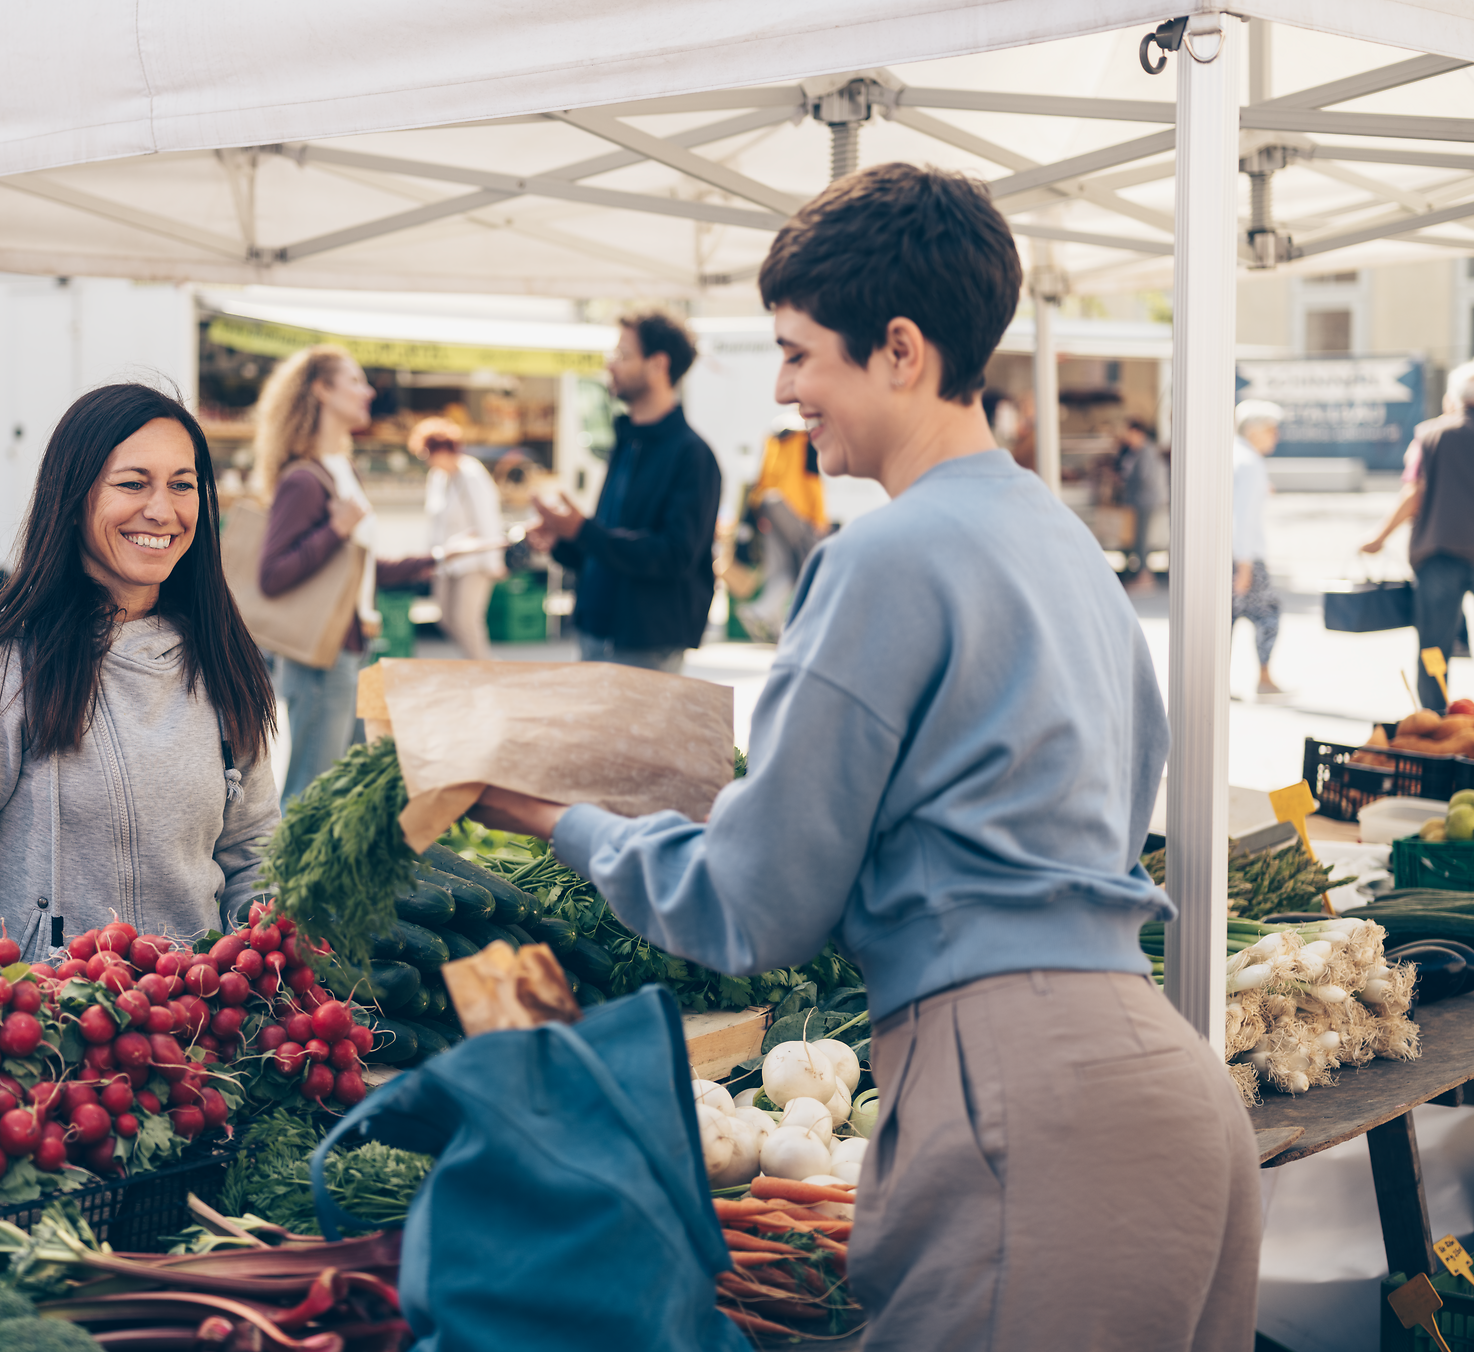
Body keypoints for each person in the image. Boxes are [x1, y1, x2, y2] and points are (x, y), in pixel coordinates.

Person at [470, 164, 1258, 1351]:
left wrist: (553, 816)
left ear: (899, 349)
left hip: (1019, 1105)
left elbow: (756, 906)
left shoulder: (883, 559)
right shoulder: (1064, 541)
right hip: (1169, 1087)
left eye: (798, 355)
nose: (785, 390)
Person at [0, 384, 280, 976]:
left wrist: (264, 973)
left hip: (200, 1033)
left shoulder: (222, 653)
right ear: (73, 496)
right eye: (132, 483)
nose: (161, 510)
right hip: (50, 1033)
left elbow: (253, 857)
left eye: (182, 484)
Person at [253, 346, 434, 803]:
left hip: (355, 647)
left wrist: (438, 558)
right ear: (321, 390)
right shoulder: (304, 479)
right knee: (312, 794)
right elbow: (272, 574)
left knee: (347, 791)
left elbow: (359, 571)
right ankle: (286, 877)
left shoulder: (341, 469)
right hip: (320, 657)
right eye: (354, 380)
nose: (368, 390)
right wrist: (335, 528)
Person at [527, 310, 721, 674]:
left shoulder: (692, 455)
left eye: (623, 355)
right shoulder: (627, 442)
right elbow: (609, 548)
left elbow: (673, 555)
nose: (610, 365)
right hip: (595, 632)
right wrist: (563, 542)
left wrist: (582, 530)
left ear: (658, 364)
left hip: (645, 645)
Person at [1365, 362, 1474, 709]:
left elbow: (1415, 493)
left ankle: (1433, 716)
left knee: (1434, 644)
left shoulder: (1431, 436)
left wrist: (1379, 537)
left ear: (1451, 400)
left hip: (1440, 554)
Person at [410, 416, 504, 662]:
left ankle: (484, 669)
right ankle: (475, 664)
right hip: (446, 560)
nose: (426, 459)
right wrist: (427, 560)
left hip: (474, 561)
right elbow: (435, 523)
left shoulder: (471, 474)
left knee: (466, 620)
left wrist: (493, 561)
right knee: (446, 618)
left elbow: (488, 520)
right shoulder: (438, 478)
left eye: (428, 453)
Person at [1232, 399, 1286, 698]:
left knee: (1224, 618)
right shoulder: (1250, 462)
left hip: (1230, 554)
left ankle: (1216, 680)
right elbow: (1242, 516)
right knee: (1268, 614)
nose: (1275, 436)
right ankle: (1264, 677)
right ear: (1253, 431)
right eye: (1271, 429)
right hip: (1245, 555)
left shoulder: (1233, 455)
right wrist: (1244, 564)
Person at [1117, 418, 1168, 592]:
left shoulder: (1146, 451)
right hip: (1140, 500)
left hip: (1146, 500)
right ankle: (1140, 572)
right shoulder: (1136, 451)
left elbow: (1145, 477)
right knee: (1138, 539)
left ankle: (1144, 575)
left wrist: (1127, 485)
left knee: (1142, 539)